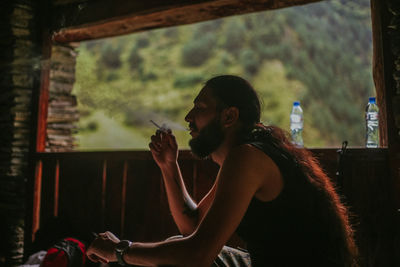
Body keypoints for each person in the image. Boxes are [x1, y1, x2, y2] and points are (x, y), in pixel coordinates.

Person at [86, 75, 358, 267]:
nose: (188, 118)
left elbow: (197, 254)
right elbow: (192, 226)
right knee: (172, 249)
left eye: (200, 108)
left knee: (174, 260)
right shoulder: (245, 156)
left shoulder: (248, 157)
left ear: (229, 116)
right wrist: (169, 166)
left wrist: (119, 251)